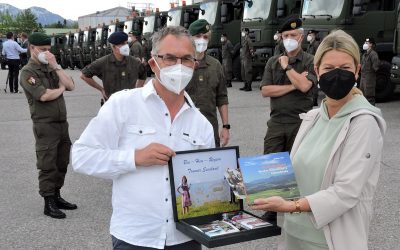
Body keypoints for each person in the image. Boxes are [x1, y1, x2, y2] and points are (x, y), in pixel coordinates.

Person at [72, 26, 214, 250]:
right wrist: (134, 158)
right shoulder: (123, 104)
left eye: (187, 59)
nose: (179, 66)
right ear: (152, 63)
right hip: (135, 238)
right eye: (169, 58)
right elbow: (81, 157)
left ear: (194, 65)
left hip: (186, 238)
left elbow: (208, 182)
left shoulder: (201, 124)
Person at [252, 30, 386, 250]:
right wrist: (253, 182)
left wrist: (290, 205)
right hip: (294, 235)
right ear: (317, 70)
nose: (337, 74)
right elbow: (295, 171)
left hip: (330, 240)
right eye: (329, 68)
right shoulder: (313, 117)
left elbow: (346, 191)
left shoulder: (363, 122)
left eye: (345, 68)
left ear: (357, 71)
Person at [260, 17, 316, 224]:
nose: (289, 39)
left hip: (300, 121)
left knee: (299, 166)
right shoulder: (271, 61)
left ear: (301, 37)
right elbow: (266, 90)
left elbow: (306, 87)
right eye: (285, 36)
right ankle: (272, 210)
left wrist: (286, 68)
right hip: (276, 121)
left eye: (293, 35)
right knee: (271, 164)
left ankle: (298, 207)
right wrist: (294, 83)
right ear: (281, 38)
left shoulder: (310, 60)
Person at [19, 32, 77, 219]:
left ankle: (57, 195)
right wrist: (60, 89)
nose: (47, 53)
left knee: (62, 162)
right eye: (43, 50)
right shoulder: (28, 72)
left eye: (49, 50)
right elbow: (43, 95)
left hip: (62, 123)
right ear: (32, 48)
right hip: (45, 125)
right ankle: (48, 202)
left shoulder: (51, 67)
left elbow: (71, 85)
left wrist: (56, 65)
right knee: (48, 164)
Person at [185, 19, 230, 147]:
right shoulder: (181, 63)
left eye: (205, 37)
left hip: (209, 128)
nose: (202, 40)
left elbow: (222, 98)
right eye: (198, 36)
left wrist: (226, 127)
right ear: (190, 39)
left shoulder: (215, 65)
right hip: (184, 129)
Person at [80, 31, 146, 103]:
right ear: (114, 47)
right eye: (122, 44)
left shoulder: (135, 62)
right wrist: (101, 89)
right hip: (111, 105)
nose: (126, 46)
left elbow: (143, 74)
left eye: (126, 43)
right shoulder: (103, 62)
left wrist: (137, 90)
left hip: (130, 104)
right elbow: (84, 75)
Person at [360, 37, 380, 105]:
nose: (365, 44)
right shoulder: (365, 54)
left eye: (367, 43)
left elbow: (376, 67)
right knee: (363, 96)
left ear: (371, 44)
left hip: (369, 80)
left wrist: (372, 74)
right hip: (363, 79)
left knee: (370, 98)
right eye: (365, 42)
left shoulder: (373, 54)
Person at [306, 30, 321, 106]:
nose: (309, 36)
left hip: (314, 66)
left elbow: (318, 55)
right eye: (309, 35)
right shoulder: (310, 45)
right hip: (309, 66)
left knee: (314, 83)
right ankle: (310, 99)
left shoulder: (316, 44)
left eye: (311, 35)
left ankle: (314, 101)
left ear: (314, 36)